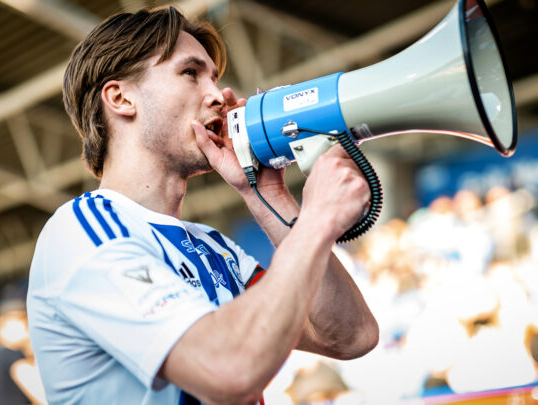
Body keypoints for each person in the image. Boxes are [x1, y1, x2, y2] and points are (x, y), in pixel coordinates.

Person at [26, 6, 378, 405]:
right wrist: (316, 221)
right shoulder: (82, 231)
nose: (217, 96)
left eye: (215, 78)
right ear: (121, 97)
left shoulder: (213, 246)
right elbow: (227, 370)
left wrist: (264, 193)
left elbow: (351, 335)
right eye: (190, 73)